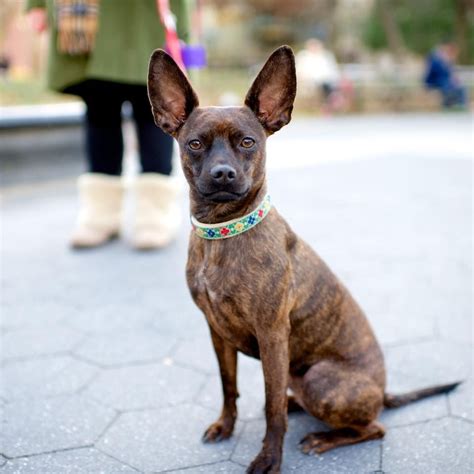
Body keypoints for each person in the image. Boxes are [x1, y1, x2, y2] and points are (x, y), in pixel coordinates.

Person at [26, 0, 190, 249]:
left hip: (145, 15)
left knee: (154, 106)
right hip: (87, 17)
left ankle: (154, 215)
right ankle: (100, 216)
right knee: (100, 107)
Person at [424, 40, 468, 109]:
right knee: (447, 86)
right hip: (434, 80)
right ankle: (447, 105)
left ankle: (461, 105)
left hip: (443, 80)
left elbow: (450, 73)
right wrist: (446, 62)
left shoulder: (445, 58)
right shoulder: (435, 57)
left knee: (460, 87)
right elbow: (436, 72)